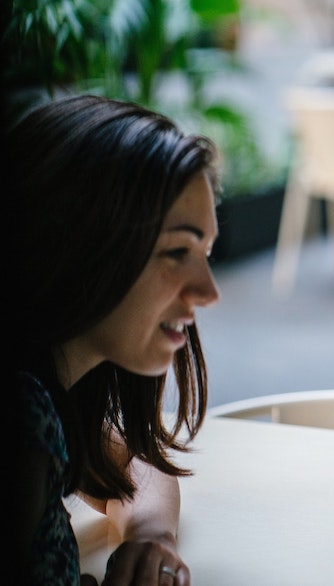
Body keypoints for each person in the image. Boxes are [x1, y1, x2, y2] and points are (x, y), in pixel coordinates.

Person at [8, 94, 221, 585]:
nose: (209, 291)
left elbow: (133, 466)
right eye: (176, 251)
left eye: (205, 252)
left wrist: (151, 539)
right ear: (81, 244)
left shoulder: (52, 398)